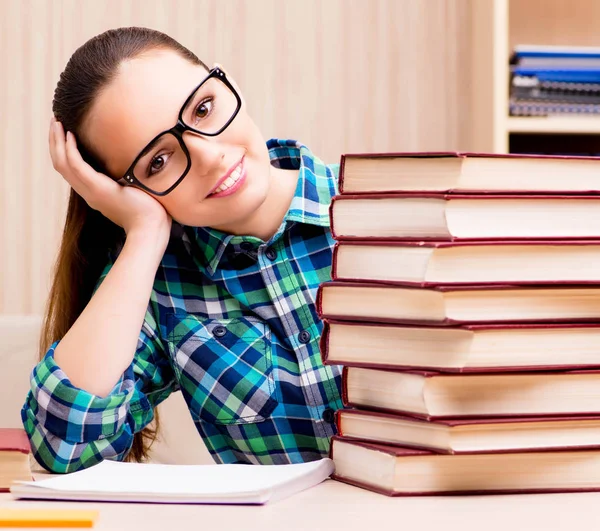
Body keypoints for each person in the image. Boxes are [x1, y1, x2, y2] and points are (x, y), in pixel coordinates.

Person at [21, 26, 343, 473]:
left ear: (227, 82)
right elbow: (64, 448)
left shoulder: (393, 215)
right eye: (158, 160)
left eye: (204, 108)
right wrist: (145, 234)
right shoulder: (163, 287)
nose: (209, 156)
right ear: (127, 191)